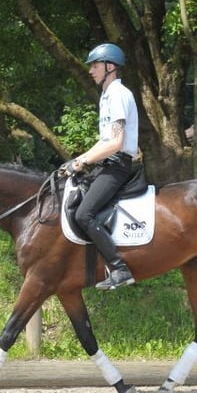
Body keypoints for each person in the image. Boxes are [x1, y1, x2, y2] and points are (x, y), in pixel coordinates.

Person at [66, 43, 139, 290]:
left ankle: (119, 268)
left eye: (95, 65)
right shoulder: (107, 96)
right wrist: (79, 159)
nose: (91, 71)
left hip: (116, 166)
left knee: (83, 214)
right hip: (106, 164)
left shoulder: (118, 95)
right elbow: (104, 140)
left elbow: (117, 142)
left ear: (110, 67)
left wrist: (83, 161)